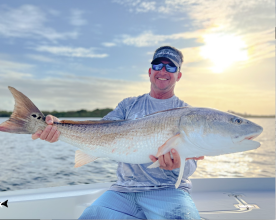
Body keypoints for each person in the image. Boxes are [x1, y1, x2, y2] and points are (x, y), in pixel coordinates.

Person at [32, 46, 204, 219]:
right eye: (158, 65)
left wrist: (177, 165)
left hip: (168, 191)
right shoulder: (128, 105)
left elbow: (191, 165)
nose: (163, 71)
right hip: (123, 191)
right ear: (150, 71)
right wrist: (58, 126)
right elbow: (98, 131)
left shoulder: (188, 114)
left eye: (171, 67)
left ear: (179, 75)